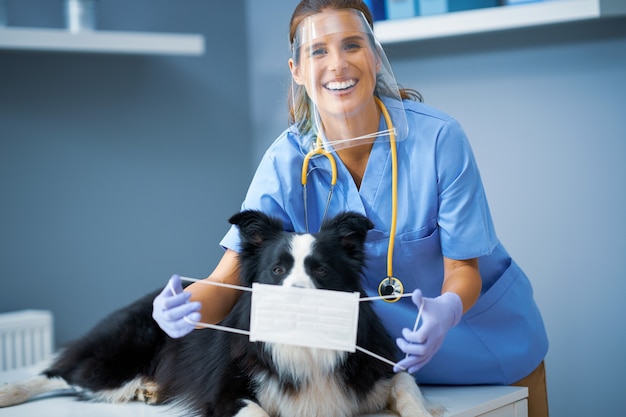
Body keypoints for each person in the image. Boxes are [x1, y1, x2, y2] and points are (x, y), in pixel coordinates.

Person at [152, 1, 549, 416]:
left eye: (352, 45)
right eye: (318, 51)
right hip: (373, 375)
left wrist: (448, 310)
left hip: (487, 357)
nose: (338, 64)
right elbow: (227, 281)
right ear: (297, 70)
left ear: (375, 57)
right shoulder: (285, 163)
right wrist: (182, 309)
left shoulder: (439, 139)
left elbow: (463, 271)